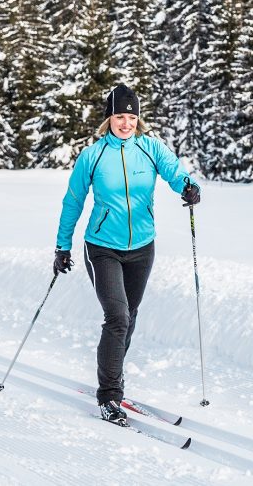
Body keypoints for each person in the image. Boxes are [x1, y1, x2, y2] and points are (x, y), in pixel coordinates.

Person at [54, 84, 202, 426]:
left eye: (131, 116)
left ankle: (114, 380)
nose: (126, 123)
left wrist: (189, 187)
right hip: (102, 247)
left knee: (129, 316)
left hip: (142, 248)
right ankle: (108, 395)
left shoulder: (150, 148)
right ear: (109, 118)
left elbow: (174, 172)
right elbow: (73, 201)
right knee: (117, 317)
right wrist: (62, 246)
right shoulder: (93, 155)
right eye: (119, 116)